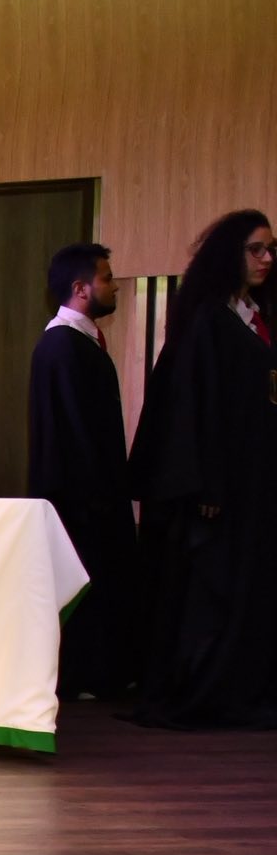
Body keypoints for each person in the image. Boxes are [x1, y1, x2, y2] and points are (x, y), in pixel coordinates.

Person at [128, 210, 277, 727]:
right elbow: (192, 407)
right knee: (210, 589)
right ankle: (205, 690)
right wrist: (205, 480)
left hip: (256, 478)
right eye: (255, 249)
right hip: (217, 482)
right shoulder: (207, 319)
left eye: (270, 250)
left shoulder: (258, 314)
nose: (265, 259)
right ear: (230, 254)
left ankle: (243, 687)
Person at [27, 242, 136, 697]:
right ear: (81, 288)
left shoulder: (80, 342)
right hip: (80, 497)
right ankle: (84, 676)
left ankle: (102, 672)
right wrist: (95, 492)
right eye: (107, 278)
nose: (114, 287)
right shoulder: (61, 345)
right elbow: (71, 429)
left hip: (94, 493)